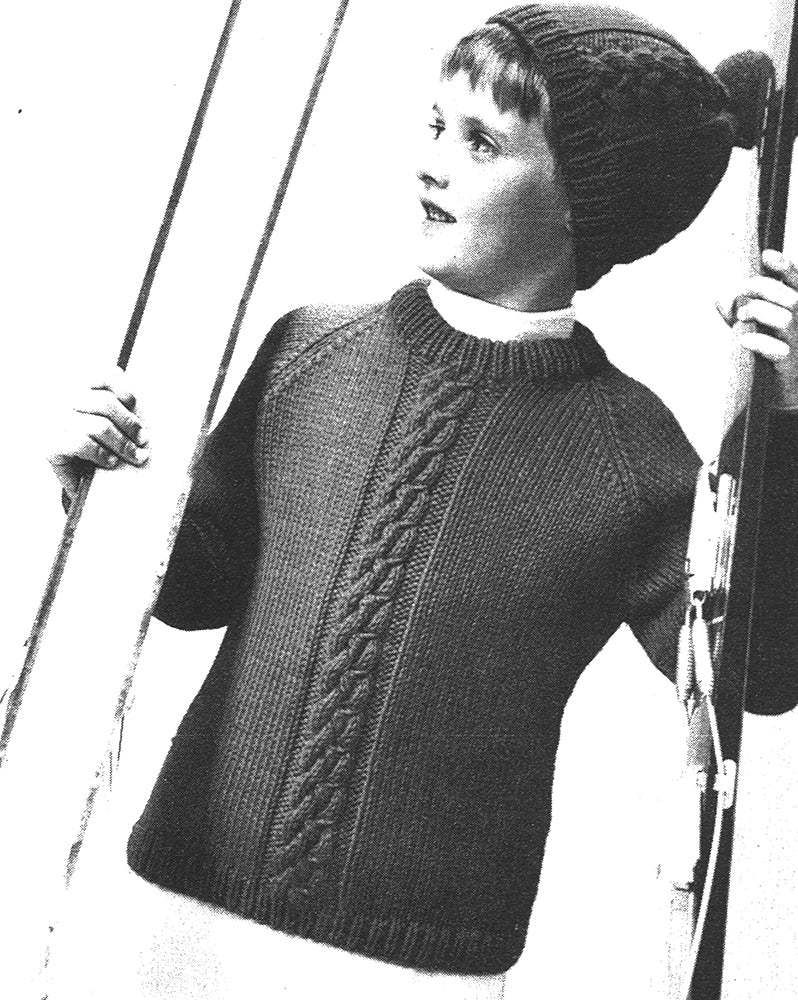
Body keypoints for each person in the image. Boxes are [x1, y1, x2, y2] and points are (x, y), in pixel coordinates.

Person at [49, 4, 798, 997]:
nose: (432, 163)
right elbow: (194, 588)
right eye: (435, 125)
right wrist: (96, 488)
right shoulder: (309, 347)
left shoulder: (631, 454)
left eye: (481, 141)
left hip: (418, 972)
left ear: (582, 200)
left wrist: (785, 420)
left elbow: (757, 672)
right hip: (174, 922)